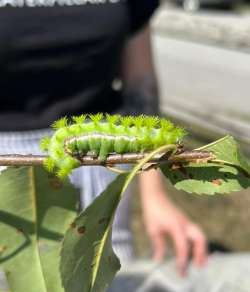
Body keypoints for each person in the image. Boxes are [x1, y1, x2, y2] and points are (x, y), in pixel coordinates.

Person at [0, 0, 207, 276]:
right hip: (9, 161)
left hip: (103, 159)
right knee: (21, 283)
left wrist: (154, 193)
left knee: (101, 277)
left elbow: (140, 84)